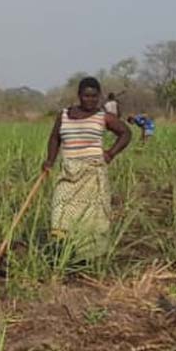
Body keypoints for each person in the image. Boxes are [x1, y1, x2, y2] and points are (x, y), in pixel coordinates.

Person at [43, 76, 130, 257]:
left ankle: (86, 257)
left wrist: (110, 153)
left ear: (99, 96)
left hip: (93, 173)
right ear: (79, 95)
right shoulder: (64, 115)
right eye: (86, 96)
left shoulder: (103, 117)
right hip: (68, 172)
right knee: (60, 210)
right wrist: (50, 160)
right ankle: (61, 253)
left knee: (92, 217)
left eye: (94, 96)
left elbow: (125, 133)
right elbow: (55, 138)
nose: (90, 100)